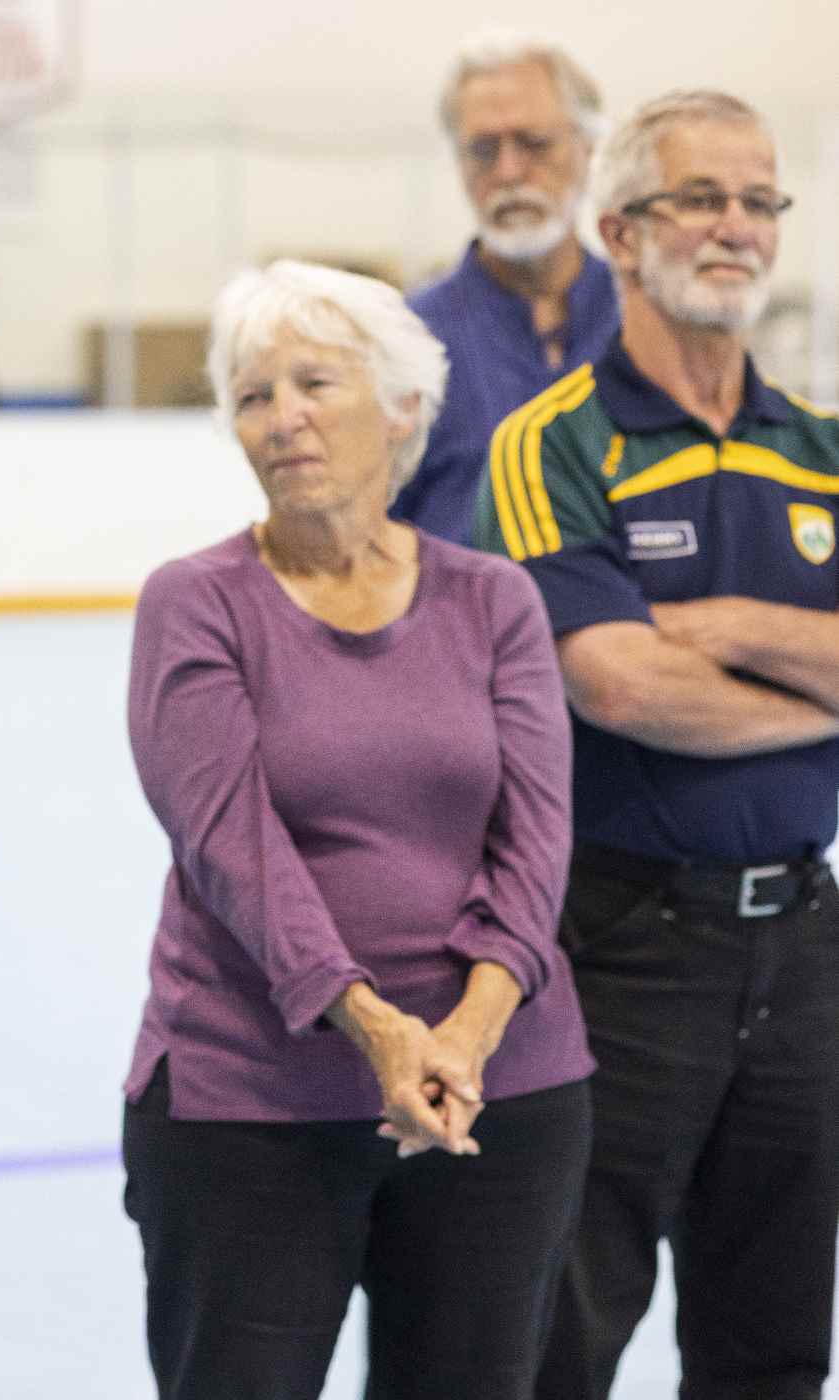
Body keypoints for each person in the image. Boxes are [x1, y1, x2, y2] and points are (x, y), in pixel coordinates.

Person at [123, 259, 594, 1400]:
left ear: (401, 408)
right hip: (255, 1102)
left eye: (314, 384)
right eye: (252, 395)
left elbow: (537, 842)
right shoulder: (196, 601)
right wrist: (379, 1030)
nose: (281, 416)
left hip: (499, 1093)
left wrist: (467, 1035)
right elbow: (234, 852)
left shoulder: (495, 599)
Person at [472, 91, 839, 1400]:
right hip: (623, 945)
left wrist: (726, 624)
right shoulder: (553, 443)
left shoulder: (822, 450)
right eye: (700, 198)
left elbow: (663, 660)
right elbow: (618, 684)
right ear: (621, 233)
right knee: (561, 1338)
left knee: (773, 1347)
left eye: (758, 200)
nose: (736, 226)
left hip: (805, 948)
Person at [394, 31, 618, 544]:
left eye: (534, 143)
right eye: (483, 150)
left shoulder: (647, 323)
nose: (510, 172)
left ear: (588, 148)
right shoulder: (405, 341)